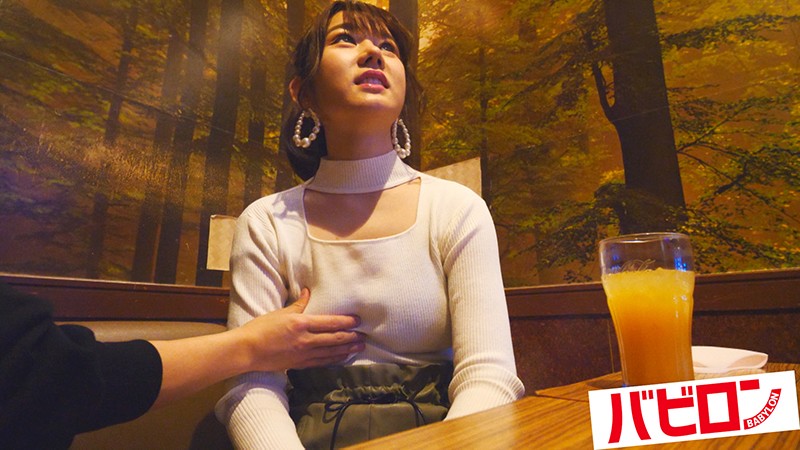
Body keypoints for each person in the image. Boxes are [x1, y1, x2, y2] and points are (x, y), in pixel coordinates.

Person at [214, 1, 525, 448]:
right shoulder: (267, 223)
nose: (373, 53)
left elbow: (489, 374)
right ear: (304, 92)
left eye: (388, 46)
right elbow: (252, 385)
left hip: (447, 435)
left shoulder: (457, 209)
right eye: (345, 39)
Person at [0, 282, 364, 449]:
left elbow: (56, 371)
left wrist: (250, 346)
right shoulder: (267, 218)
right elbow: (53, 375)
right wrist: (250, 347)